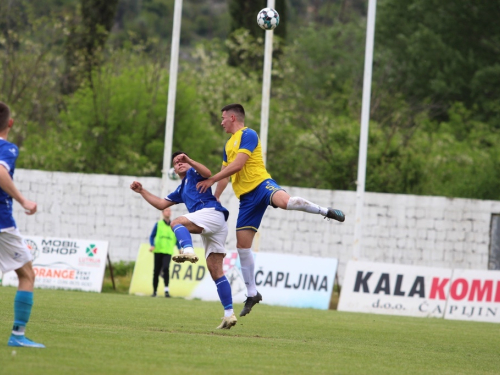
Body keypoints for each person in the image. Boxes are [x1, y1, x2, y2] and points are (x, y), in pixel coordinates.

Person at [196, 103, 345, 318]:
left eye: (223, 118)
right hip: (246, 199)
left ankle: (325, 211)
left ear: (232, 118)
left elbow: (237, 165)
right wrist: (216, 196)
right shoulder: (228, 144)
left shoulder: (249, 134)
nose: (221, 122)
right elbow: (225, 173)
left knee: (287, 203)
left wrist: (211, 180)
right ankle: (252, 293)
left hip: (261, 185)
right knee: (242, 246)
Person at [130, 151, 237, 329]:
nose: (179, 163)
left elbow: (208, 173)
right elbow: (161, 204)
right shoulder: (181, 188)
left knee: (177, 222)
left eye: (182, 160)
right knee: (216, 271)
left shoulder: (194, 174)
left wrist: (190, 160)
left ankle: (188, 250)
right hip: (215, 224)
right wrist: (141, 191)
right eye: (176, 162)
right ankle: (228, 314)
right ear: (174, 168)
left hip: (211, 214)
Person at [0, 102, 44, 348]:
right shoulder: (7, 148)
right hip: (2, 223)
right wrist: (23, 199)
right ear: (10, 123)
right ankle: (18, 335)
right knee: (26, 274)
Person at [149, 207, 180, 298]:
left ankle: (166, 290)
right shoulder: (158, 224)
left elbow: (177, 239)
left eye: (170, 210)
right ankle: (154, 291)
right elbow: (152, 236)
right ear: (162, 213)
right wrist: (152, 245)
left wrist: (179, 248)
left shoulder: (173, 225)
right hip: (158, 250)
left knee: (166, 268)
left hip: (168, 251)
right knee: (156, 271)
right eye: (167, 210)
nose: (169, 212)